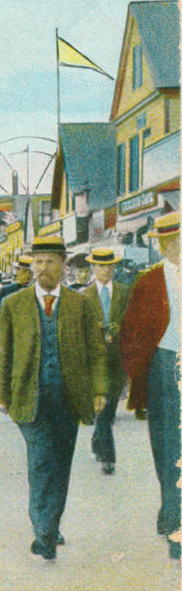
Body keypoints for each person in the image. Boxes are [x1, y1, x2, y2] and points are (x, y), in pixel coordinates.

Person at [0, 236, 107, 560]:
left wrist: (99, 389)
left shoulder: (80, 304)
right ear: (31, 266)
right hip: (29, 398)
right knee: (41, 462)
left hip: (69, 398)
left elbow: (97, 351)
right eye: (37, 261)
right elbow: (5, 353)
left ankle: (51, 523)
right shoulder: (13, 304)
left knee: (61, 464)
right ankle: (44, 534)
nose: (42, 268)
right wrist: (2, 394)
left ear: (64, 265)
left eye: (50, 261)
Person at [120, 211, 181, 560]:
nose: (176, 247)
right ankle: (175, 524)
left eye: (180, 240)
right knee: (170, 451)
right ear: (160, 245)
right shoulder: (148, 282)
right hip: (164, 369)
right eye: (169, 242)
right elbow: (130, 335)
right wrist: (137, 376)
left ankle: (172, 514)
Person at [82, 248, 131, 476]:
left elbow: (133, 325)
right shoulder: (84, 296)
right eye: (101, 266)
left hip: (118, 359)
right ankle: (108, 456)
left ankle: (97, 438)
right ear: (93, 268)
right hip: (94, 361)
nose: (105, 270)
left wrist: (120, 331)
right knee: (101, 405)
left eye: (109, 266)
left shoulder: (124, 293)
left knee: (110, 407)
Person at [0, 255, 32, 343]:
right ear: (17, 272)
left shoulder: (35, 291)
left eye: (30, 272)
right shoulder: (6, 291)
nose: (28, 275)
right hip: (10, 336)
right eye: (24, 271)